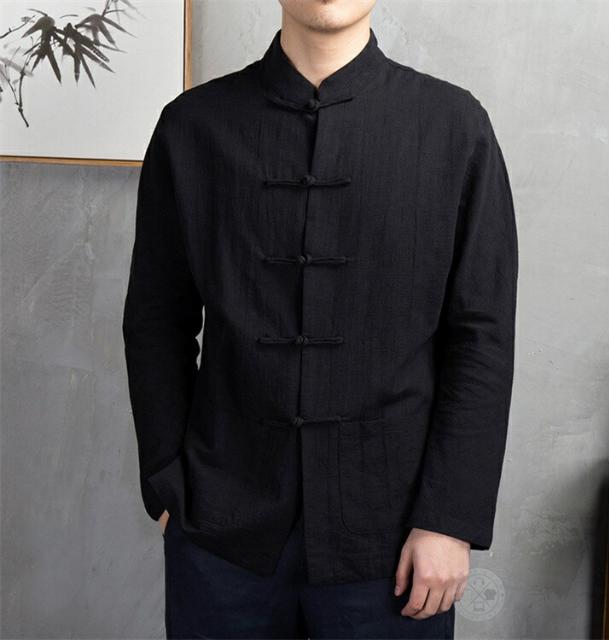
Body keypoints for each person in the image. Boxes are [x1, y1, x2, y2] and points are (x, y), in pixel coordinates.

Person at [122, 0, 519, 638]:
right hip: (221, 528)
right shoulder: (193, 126)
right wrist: (168, 484)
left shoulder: (454, 126)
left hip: (398, 539)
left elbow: (481, 337)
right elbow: (154, 320)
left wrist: (449, 520)